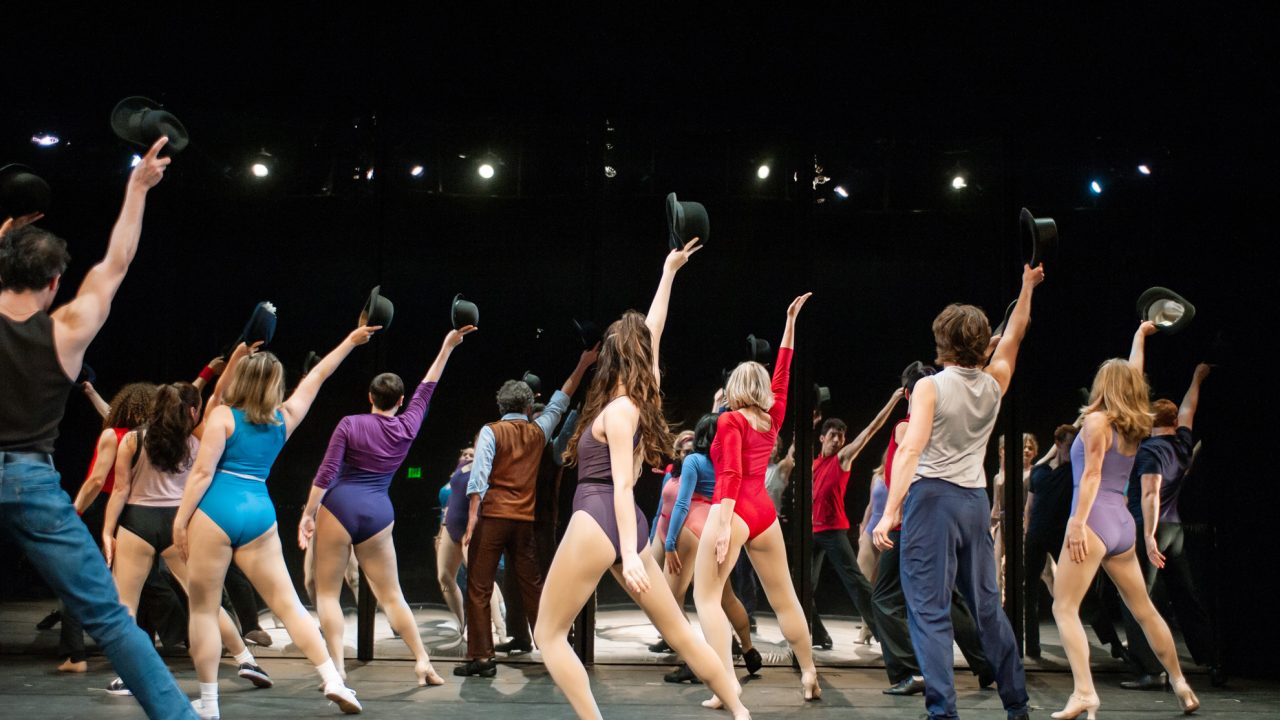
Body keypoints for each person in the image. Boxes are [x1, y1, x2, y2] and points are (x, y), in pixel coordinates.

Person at [0, 138, 198, 718]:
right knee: (111, 618)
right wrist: (137, 188)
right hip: (32, 485)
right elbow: (117, 263)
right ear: (57, 281)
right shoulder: (65, 331)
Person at [534, 239, 751, 719]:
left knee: (547, 635)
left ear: (612, 355)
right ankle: (740, 711)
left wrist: (631, 554)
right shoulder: (639, 396)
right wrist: (669, 270)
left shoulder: (616, 409)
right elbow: (653, 329)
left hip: (598, 515)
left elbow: (623, 485)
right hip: (623, 518)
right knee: (679, 633)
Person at [175, 323, 378, 717]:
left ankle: (211, 704)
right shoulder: (285, 417)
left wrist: (181, 522)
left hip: (217, 509)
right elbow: (319, 375)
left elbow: (201, 475)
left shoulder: (221, 417)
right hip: (259, 510)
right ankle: (334, 680)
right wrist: (350, 341)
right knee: (290, 606)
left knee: (203, 609)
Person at [874, 263, 1046, 720]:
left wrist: (890, 511)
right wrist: (1027, 287)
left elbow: (910, 450)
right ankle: (1017, 705)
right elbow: (1017, 332)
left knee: (929, 612)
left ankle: (942, 712)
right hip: (973, 503)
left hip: (932, 500)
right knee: (987, 609)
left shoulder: (929, 386)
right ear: (980, 342)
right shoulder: (994, 383)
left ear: (942, 342)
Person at [299, 325, 475, 685]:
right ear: (399, 400)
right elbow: (428, 387)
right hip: (379, 511)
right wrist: (447, 347)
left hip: (341, 506)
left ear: (369, 397)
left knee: (329, 594)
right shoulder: (407, 425)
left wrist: (308, 513)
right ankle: (423, 661)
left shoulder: (349, 423)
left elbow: (327, 471)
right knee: (393, 596)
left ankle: (337, 670)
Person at [1046, 322, 1200, 717]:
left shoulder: (1098, 422)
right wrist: (1139, 335)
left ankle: (1084, 692)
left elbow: (1093, 475)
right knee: (1144, 608)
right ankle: (1181, 683)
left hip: (1094, 518)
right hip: (1121, 524)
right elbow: (1134, 371)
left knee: (1063, 608)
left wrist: (1077, 522)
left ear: (1103, 386)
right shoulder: (1134, 424)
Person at [103, 380, 272, 694]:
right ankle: (246, 659)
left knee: (126, 603)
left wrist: (107, 530)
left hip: (137, 521)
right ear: (191, 411)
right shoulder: (197, 442)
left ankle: (128, 675)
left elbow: (120, 490)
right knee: (203, 601)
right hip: (177, 524)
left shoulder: (132, 440)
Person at [695, 292, 822, 707]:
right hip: (763, 510)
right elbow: (783, 373)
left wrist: (723, 529)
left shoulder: (730, 420)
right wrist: (789, 324)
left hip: (733, 508)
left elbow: (729, 473)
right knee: (784, 596)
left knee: (707, 599)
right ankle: (808, 673)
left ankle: (726, 687)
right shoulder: (772, 416)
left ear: (733, 387)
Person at [456, 344, 598, 676]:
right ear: (528, 405)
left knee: (479, 585)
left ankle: (481, 657)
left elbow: (479, 477)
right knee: (533, 585)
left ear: (501, 405)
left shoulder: (491, 431)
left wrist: (472, 519)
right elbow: (563, 399)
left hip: (493, 517)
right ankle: (551, 650)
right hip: (524, 520)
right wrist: (582, 364)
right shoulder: (538, 430)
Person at [869, 361, 995, 697]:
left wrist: (891, 513)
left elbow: (909, 459)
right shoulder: (946, 424)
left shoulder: (906, 426)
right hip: (944, 515)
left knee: (883, 597)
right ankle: (987, 662)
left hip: (909, 520)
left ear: (909, 393)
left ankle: (910, 671)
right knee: (950, 596)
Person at [1120, 361, 1220, 689]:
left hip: (1150, 527)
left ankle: (1150, 670)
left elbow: (1149, 493)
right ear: (1174, 423)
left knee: (1137, 598)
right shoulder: (1181, 444)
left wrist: (1147, 537)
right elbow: (1189, 408)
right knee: (1187, 596)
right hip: (1175, 530)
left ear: (1151, 422)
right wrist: (1197, 378)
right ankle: (1211, 660)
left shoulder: (1150, 450)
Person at [652, 414, 761, 683]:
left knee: (669, 601)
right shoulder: (727, 464)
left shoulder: (694, 461)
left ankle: (694, 661)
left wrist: (669, 543)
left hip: (692, 529)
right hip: (717, 528)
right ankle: (749, 650)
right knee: (726, 596)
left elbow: (681, 504)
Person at [808, 390, 902, 651]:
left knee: (857, 584)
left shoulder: (842, 458)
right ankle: (819, 636)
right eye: (833, 435)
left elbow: (871, 429)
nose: (837, 439)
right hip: (812, 531)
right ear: (822, 438)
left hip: (833, 531)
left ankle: (887, 636)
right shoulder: (814, 463)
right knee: (802, 587)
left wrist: (893, 399)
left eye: (841, 435)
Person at [992, 433, 1038, 596]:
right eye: (1023, 447)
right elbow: (995, 508)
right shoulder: (1000, 476)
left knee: (1040, 570)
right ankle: (999, 615)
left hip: (1025, 522)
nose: (1026, 451)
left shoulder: (1034, 473)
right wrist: (992, 528)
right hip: (1003, 523)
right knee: (997, 570)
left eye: (1030, 448)